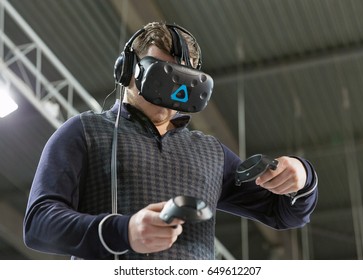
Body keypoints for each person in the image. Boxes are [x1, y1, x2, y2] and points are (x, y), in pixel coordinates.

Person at [23, 22, 318, 260]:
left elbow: (283, 214)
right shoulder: (82, 132)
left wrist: (302, 178)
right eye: (161, 75)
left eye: (183, 80)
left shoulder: (211, 153)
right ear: (128, 70)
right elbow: (38, 224)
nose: (172, 91)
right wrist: (122, 232)